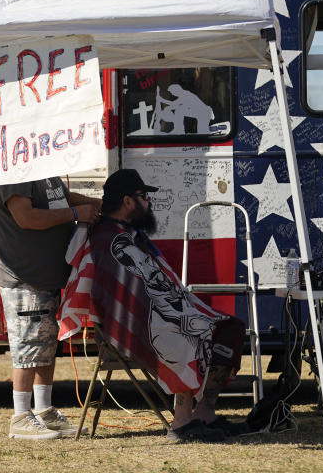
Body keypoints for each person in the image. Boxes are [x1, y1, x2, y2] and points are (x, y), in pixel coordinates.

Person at [86, 168, 247, 442]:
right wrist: (176, 314)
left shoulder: (128, 234)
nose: (149, 202)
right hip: (132, 327)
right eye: (144, 196)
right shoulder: (109, 239)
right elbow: (125, 298)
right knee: (187, 335)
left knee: (230, 328)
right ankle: (181, 423)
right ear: (127, 201)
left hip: (161, 313)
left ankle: (204, 414)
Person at [0, 176, 101, 439]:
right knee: (28, 347)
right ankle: (20, 417)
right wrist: (76, 213)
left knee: (46, 346)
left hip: (45, 277)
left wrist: (95, 204)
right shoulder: (15, 171)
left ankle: (43, 410)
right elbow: (26, 217)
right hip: (24, 277)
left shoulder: (43, 170)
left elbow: (61, 198)